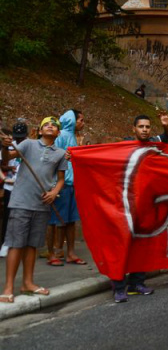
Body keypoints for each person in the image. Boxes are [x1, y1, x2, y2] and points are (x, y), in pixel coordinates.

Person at [0, 117, 67, 304]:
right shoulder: (28, 144)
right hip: (21, 202)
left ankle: (28, 283)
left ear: (58, 133)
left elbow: (61, 178)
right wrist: (5, 147)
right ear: (39, 130)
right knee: (16, 244)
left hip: (42, 204)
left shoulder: (61, 153)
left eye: (54, 125)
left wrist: (54, 193)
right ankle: (8, 287)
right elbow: (8, 158)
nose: (50, 126)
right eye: (46, 124)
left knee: (31, 245)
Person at [111, 112, 168, 303]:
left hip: (147, 206)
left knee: (142, 246)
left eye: (147, 127)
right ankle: (118, 287)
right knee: (122, 248)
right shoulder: (124, 145)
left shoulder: (154, 144)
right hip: (125, 206)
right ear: (134, 129)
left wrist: (165, 124)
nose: (145, 130)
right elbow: (101, 156)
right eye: (141, 127)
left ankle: (136, 283)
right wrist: (75, 154)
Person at [46, 110, 87, 267]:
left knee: (70, 221)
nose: (82, 123)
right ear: (72, 120)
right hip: (60, 185)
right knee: (56, 220)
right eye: (80, 120)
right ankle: (53, 253)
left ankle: (70, 253)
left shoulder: (72, 137)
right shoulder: (62, 134)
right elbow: (53, 155)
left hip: (72, 184)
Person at [0, 122, 27, 258]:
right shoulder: (10, 145)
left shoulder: (30, 145)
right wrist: (9, 169)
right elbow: (4, 164)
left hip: (25, 188)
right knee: (8, 216)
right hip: (10, 186)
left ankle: (21, 244)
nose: (19, 140)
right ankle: (5, 242)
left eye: (22, 137)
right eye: (17, 137)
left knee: (22, 217)